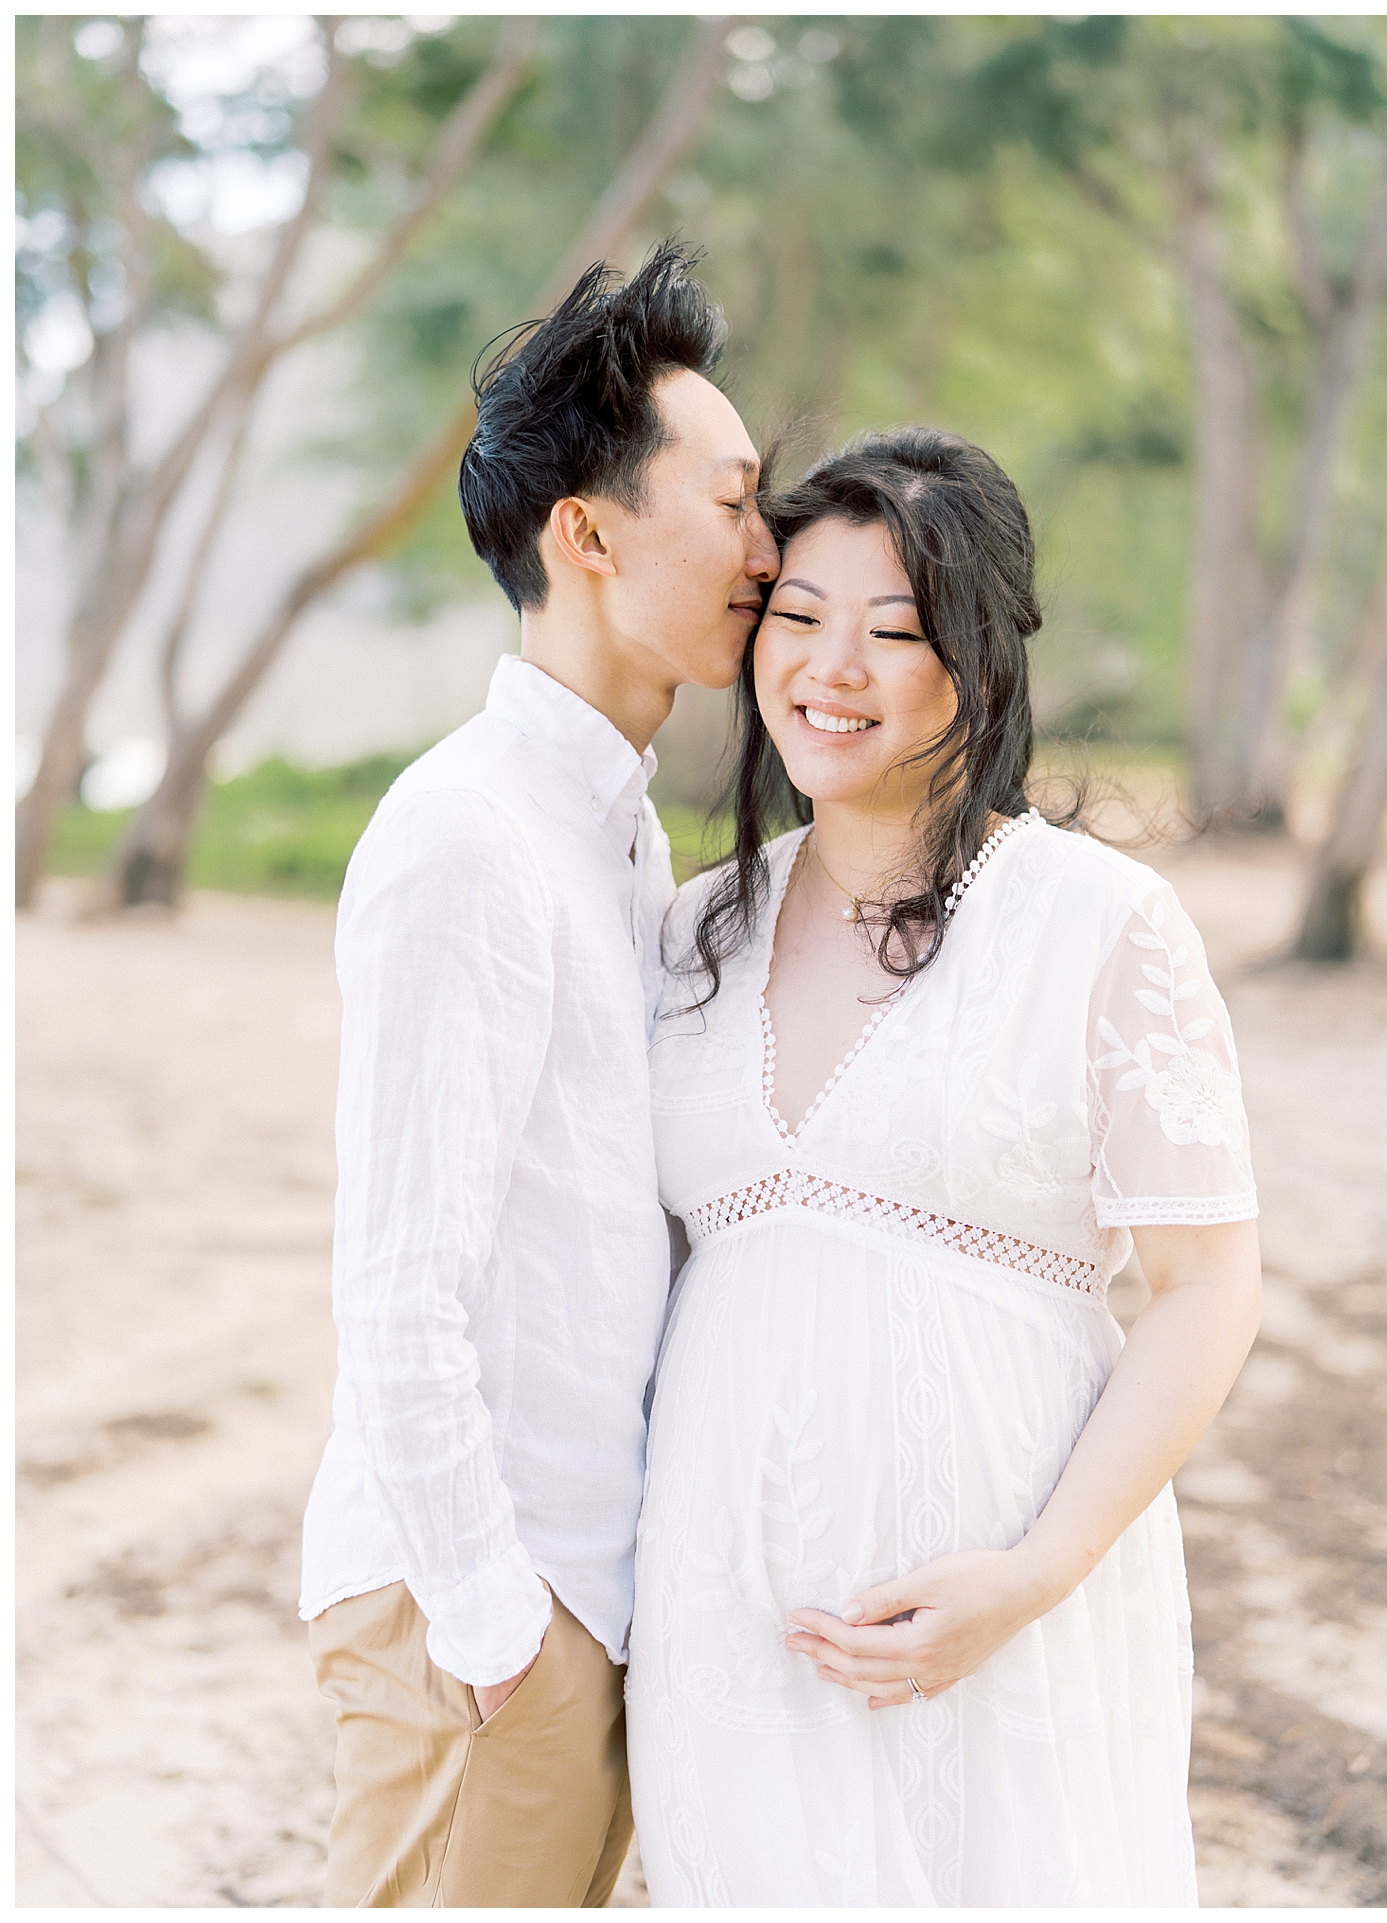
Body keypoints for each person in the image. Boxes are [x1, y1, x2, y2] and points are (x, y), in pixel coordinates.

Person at [626, 427, 1262, 1906]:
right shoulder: (686, 931)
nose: (828, 670)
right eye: (797, 619)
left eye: (892, 634)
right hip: (726, 1625)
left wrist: (1031, 1574)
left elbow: (1204, 1286)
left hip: (1003, 1625)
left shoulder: (1099, 925)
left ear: (973, 667)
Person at [298, 244, 778, 1907]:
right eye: (728, 504)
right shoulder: (465, 837)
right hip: (484, 1620)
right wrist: (501, 1632)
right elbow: (397, 1282)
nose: (763, 550)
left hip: (584, 1601)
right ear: (584, 535)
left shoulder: (614, 827)